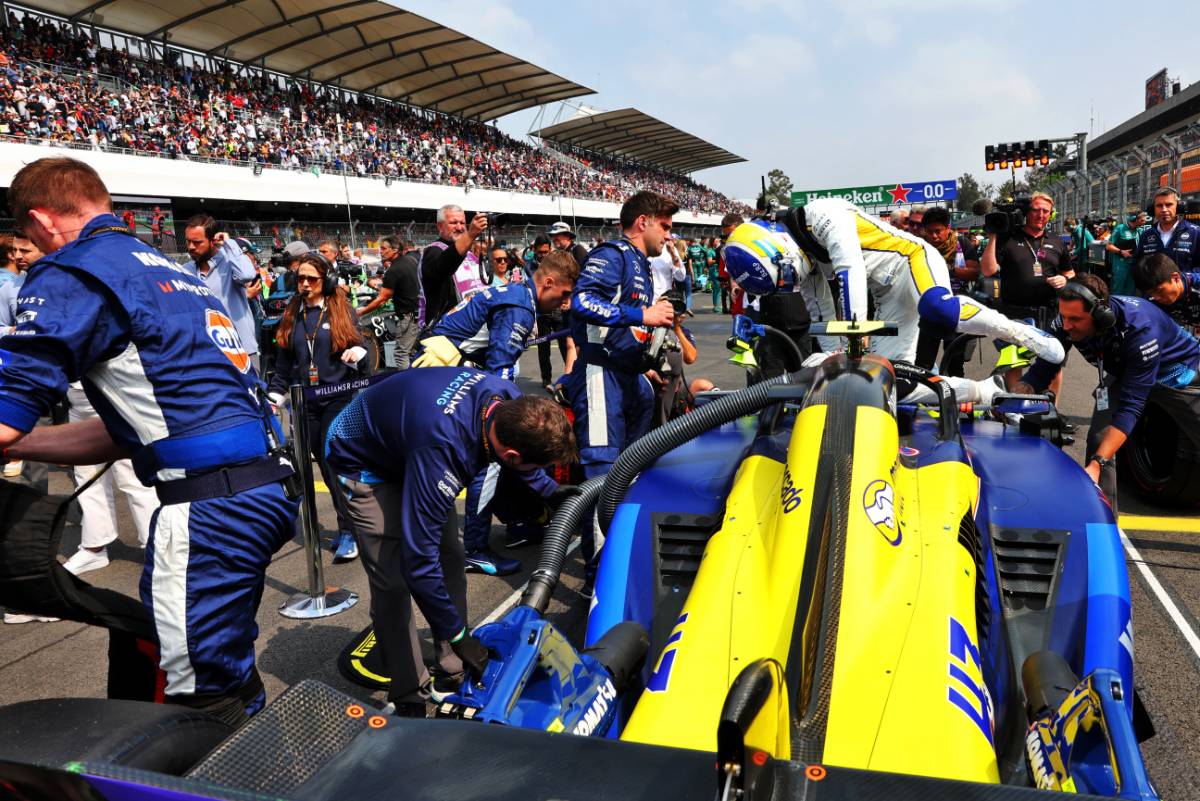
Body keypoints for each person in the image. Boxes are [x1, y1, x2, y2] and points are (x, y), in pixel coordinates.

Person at [0, 157, 297, 724]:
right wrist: (18, 447)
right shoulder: (170, 269)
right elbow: (123, 431)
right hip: (263, 489)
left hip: (210, 507)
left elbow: (5, 414)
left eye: (28, 235)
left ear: (40, 220)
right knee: (216, 656)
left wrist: (8, 434)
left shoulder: (73, 270)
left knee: (195, 686)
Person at [325, 369, 576, 716]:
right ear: (514, 456)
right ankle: (409, 693)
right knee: (394, 582)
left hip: (410, 438)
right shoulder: (444, 450)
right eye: (541, 468)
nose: (541, 472)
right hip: (364, 460)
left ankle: (452, 663)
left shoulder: (507, 398)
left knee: (451, 557)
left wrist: (550, 491)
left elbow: (519, 457)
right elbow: (418, 563)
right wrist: (462, 637)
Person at [776, 197, 1063, 368]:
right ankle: (985, 392)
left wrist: (850, 345)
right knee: (893, 378)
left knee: (938, 310)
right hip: (887, 293)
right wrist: (831, 360)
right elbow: (821, 309)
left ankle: (1021, 332)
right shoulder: (802, 253)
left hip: (913, 258)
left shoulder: (824, 214)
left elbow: (849, 271)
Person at [567, 191, 678, 594]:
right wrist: (642, 314)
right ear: (643, 221)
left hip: (630, 379)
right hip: (601, 377)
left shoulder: (643, 266)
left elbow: (627, 331)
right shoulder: (612, 253)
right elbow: (581, 302)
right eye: (664, 226)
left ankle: (621, 556)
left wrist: (647, 366)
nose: (669, 235)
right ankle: (599, 580)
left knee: (629, 472)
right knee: (602, 474)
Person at [1014, 275, 1200, 504]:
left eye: (1074, 319)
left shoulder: (1140, 330)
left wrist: (1098, 462)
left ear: (1101, 317)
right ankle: (1101, 527)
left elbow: (1131, 407)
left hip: (1179, 374)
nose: (1066, 325)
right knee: (1099, 440)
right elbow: (1044, 366)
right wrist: (1018, 395)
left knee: (1102, 456)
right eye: (1063, 316)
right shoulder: (1066, 321)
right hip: (1128, 371)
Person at [267, 253, 367, 562]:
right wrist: (273, 398)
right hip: (304, 402)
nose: (306, 284)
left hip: (338, 398)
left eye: (312, 279)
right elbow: (283, 366)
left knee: (332, 461)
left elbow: (363, 351)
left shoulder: (341, 311)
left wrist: (357, 352)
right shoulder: (292, 315)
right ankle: (352, 523)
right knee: (320, 467)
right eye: (301, 279)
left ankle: (349, 529)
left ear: (327, 281)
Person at [59, 382, 160, 575]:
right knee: (86, 477)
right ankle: (93, 547)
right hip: (76, 398)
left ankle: (156, 548)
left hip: (111, 392)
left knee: (133, 478)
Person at [980, 192, 1075, 390]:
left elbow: (1070, 272)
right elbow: (988, 270)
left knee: (1053, 364)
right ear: (1027, 212)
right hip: (1014, 312)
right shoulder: (1008, 238)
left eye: (1045, 211)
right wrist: (993, 237)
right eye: (1036, 210)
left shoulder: (1056, 241)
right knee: (1014, 363)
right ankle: (1016, 413)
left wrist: (1064, 279)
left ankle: (1051, 413)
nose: (1040, 215)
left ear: (1051, 214)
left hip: (1048, 313)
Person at [184, 214, 262, 374]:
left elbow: (247, 275)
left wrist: (228, 242)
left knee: (251, 398)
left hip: (241, 351)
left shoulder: (230, 261)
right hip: (206, 355)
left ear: (213, 240)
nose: (191, 247)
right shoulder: (185, 270)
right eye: (188, 241)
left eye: (197, 242)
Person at [917, 207, 981, 376]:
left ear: (948, 228)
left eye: (938, 231)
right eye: (929, 232)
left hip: (956, 309)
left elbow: (974, 273)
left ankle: (955, 398)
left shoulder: (962, 243)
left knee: (955, 365)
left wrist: (949, 270)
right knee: (922, 365)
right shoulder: (921, 247)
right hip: (929, 311)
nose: (934, 236)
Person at [418, 204, 488, 329]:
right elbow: (445, 266)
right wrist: (470, 235)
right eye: (454, 223)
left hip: (473, 326)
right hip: (446, 329)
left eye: (462, 222)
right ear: (440, 226)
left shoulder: (469, 254)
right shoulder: (433, 251)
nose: (460, 227)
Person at [358, 235, 421, 370]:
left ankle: (407, 386)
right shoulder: (411, 261)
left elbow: (381, 300)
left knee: (401, 354)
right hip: (418, 314)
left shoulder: (393, 270)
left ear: (394, 250)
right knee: (413, 352)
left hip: (408, 317)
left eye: (383, 248)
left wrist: (361, 312)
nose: (380, 251)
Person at [1136, 187, 1200, 272]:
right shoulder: (1146, 235)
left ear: (1178, 207)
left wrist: (1186, 280)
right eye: (1159, 206)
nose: (1164, 210)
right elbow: (1137, 264)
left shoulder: (1195, 233)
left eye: (1169, 205)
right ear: (1152, 210)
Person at [1132, 252, 1200, 326]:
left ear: (1176, 278)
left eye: (1159, 291)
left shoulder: (1197, 286)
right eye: (1150, 293)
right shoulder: (1150, 301)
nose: (1156, 297)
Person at [1106, 212, 1144, 296]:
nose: (1144, 221)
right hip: (1121, 264)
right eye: (1142, 220)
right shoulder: (1120, 228)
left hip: (1133, 264)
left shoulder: (1140, 230)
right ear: (1134, 219)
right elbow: (1109, 246)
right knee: (1118, 289)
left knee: (1131, 289)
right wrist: (1121, 251)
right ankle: (1115, 307)